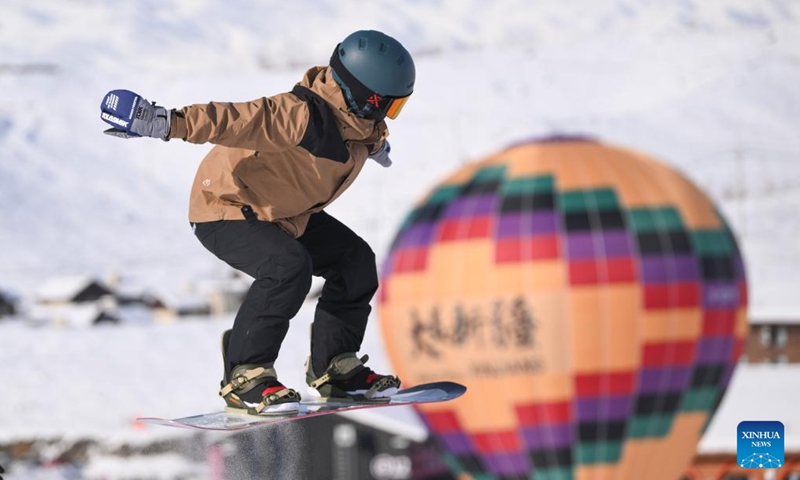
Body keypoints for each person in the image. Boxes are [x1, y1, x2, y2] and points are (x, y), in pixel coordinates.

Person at [100, 30, 415, 416]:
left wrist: (377, 146)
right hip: (226, 208)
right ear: (363, 96)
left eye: (397, 108)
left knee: (355, 262)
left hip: (285, 213)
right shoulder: (298, 115)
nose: (389, 114)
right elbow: (232, 120)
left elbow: (361, 136)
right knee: (287, 268)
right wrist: (167, 123)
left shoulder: (361, 128)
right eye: (389, 105)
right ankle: (245, 373)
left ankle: (335, 368)